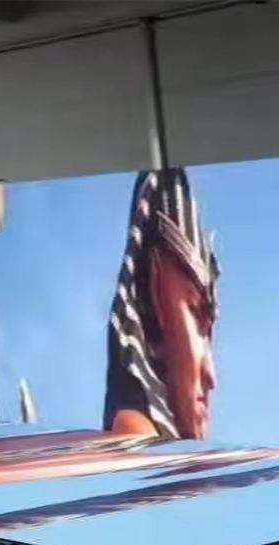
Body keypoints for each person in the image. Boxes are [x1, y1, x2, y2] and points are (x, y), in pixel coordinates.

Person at [103, 168, 219, 440]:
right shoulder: (137, 447)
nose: (211, 376)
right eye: (195, 313)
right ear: (154, 313)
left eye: (208, 333)